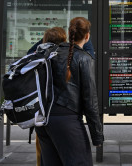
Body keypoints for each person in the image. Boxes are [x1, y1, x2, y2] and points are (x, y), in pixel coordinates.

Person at [35, 17, 104, 166]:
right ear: (87, 36)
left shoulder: (50, 53)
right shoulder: (83, 58)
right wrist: (97, 137)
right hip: (67, 120)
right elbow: (90, 101)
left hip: (43, 121)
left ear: (69, 32)